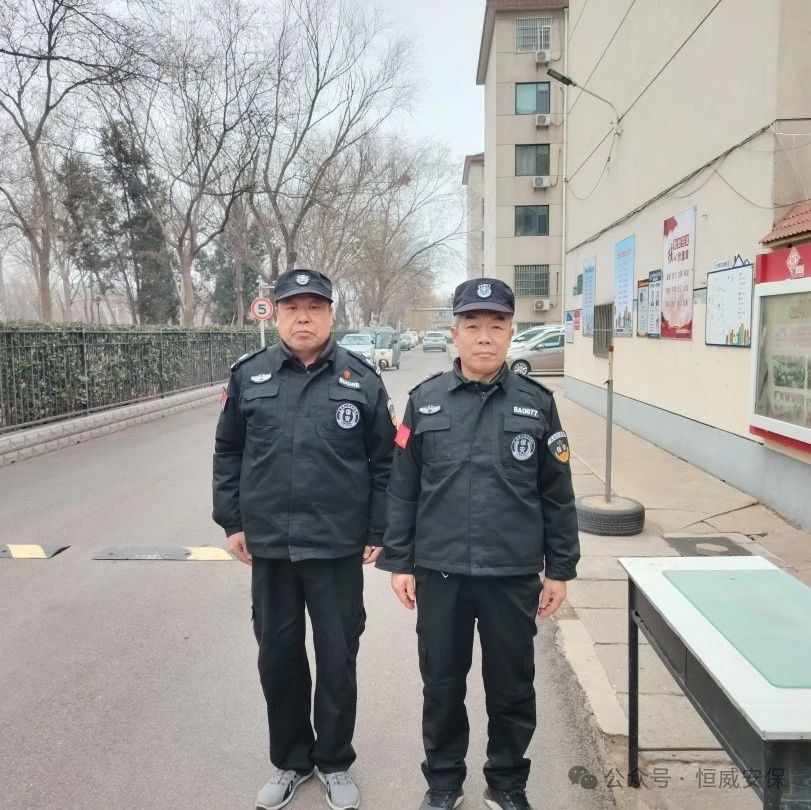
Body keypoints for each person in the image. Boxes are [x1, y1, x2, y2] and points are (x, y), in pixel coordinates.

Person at [377, 278, 580, 810]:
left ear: (512, 333)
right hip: (440, 572)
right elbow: (403, 488)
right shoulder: (424, 402)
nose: (484, 336)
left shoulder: (538, 404)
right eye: (473, 325)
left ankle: (507, 783)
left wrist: (560, 570)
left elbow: (557, 494)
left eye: (496, 325)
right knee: (442, 686)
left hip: (511, 574)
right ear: (455, 333)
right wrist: (400, 562)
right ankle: (444, 782)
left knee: (512, 687)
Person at [213, 269, 396, 810]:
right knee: (279, 659)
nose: (303, 318)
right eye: (292, 308)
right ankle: (292, 760)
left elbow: (385, 464)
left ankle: (335, 761)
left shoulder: (362, 380)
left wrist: (377, 530)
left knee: (338, 659)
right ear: (277, 315)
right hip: (270, 548)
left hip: (336, 548)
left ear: (331, 315)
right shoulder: (249, 376)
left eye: (314, 308)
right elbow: (228, 453)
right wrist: (233, 522)